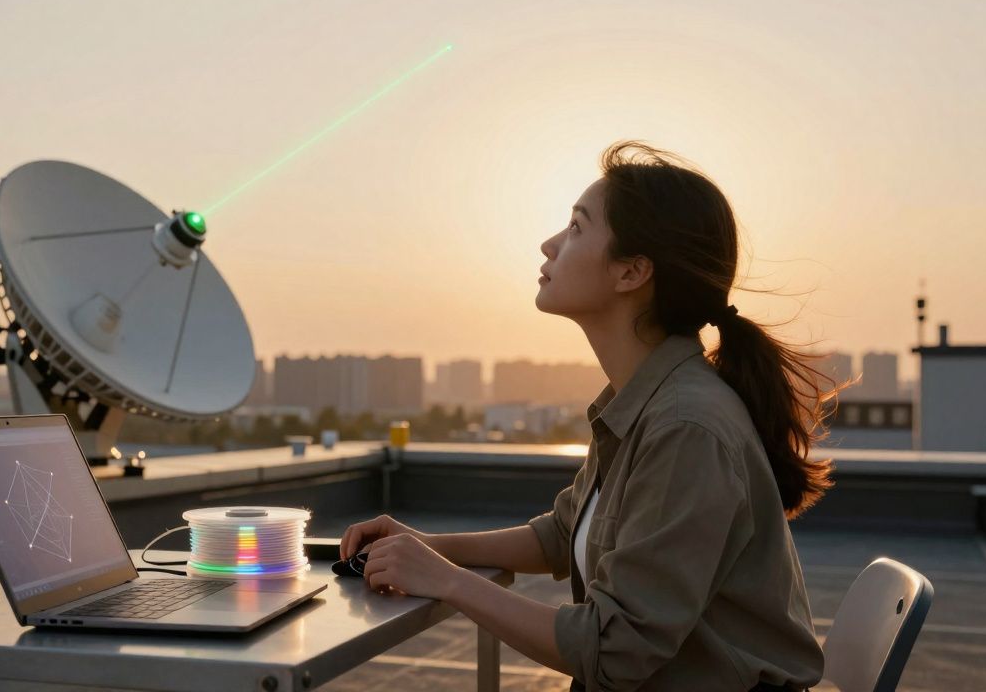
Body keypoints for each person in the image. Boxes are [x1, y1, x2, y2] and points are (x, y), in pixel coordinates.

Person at [339, 141, 836, 691]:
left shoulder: (684, 426)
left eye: (576, 228)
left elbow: (613, 650)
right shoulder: (645, 399)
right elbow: (562, 534)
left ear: (632, 272)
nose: (549, 244)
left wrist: (450, 582)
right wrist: (427, 545)